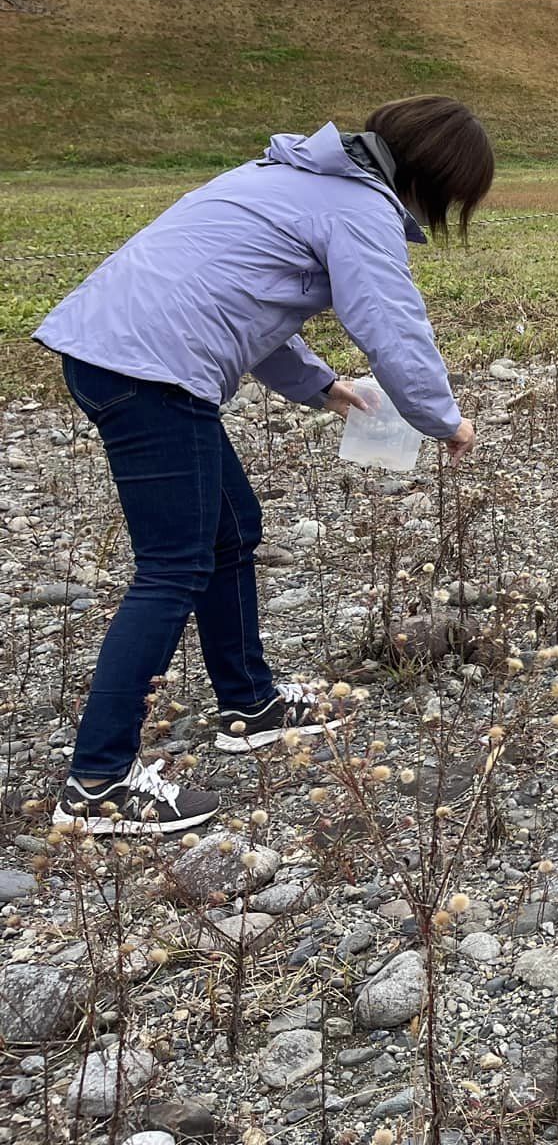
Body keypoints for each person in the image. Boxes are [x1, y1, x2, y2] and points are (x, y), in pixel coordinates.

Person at [33, 96, 493, 835]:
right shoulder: (360, 209)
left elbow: (253, 304)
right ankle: (97, 783)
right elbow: (393, 329)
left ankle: (250, 704)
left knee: (229, 527)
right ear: (436, 179)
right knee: (172, 565)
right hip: (153, 370)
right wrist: (443, 419)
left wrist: (324, 387)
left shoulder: (286, 177)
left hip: (118, 355)